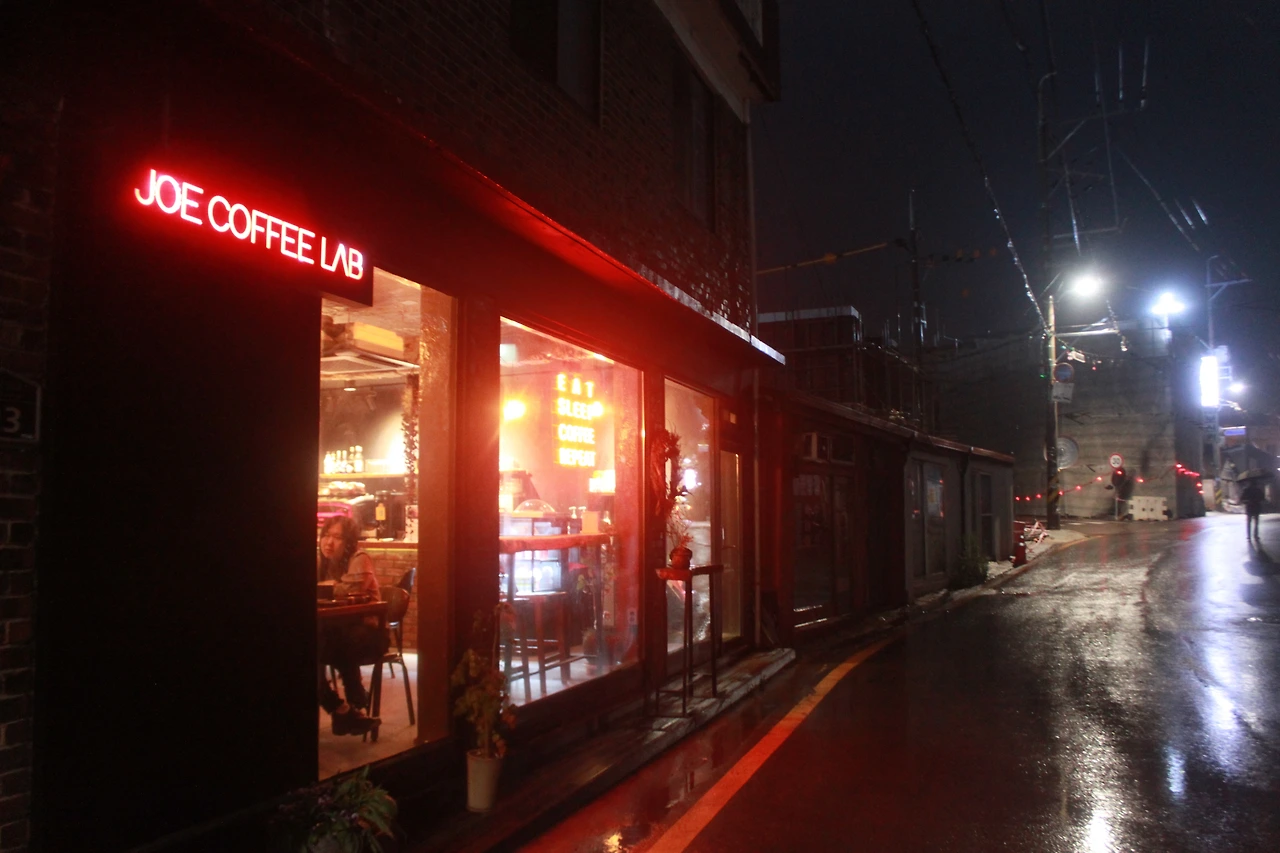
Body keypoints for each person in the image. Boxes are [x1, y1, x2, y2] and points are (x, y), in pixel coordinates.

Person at [317, 516, 386, 736]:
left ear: (348, 543)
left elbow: (349, 590)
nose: (329, 542)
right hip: (336, 634)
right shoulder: (321, 561)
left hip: (367, 635)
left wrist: (325, 587)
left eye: (337, 537)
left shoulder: (359, 558)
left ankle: (348, 705)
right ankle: (346, 709)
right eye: (326, 535)